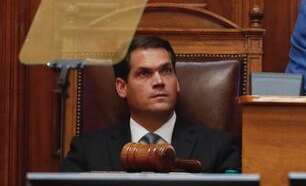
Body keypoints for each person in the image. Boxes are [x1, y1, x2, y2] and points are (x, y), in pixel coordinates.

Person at [60, 35, 240, 173]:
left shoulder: (220, 149)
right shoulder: (87, 152)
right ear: (122, 87)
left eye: (166, 71)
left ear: (177, 82)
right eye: (144, 74)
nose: (159, 81)